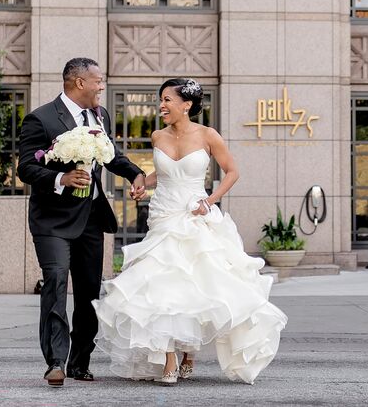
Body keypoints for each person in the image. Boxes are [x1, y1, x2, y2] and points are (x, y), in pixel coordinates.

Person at [92, 78, 287, 385]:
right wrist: (143, 183)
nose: (162, 106)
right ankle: (168, 358)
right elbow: (166, 172)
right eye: (161, 100)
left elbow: (232, 172)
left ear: (187, 105)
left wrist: (209, 201)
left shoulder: (208, 135)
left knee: (195, 285)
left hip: (196, 214)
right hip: (164, 215)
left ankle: (188, 351)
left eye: (168, 100)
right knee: (162, 286)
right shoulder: (158, 136)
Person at [17, 57, 147, 387]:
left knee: (90, 293)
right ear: (79, 83)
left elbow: (112, 156)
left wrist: (136, 174)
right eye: (98, 81)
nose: (102, 86)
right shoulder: (40, 118)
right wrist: (61, 177)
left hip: (90, 217)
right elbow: (25, 169)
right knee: (57, 282)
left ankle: (79, 361)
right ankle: (56, 361)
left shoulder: (99, 116)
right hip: (52, 221)